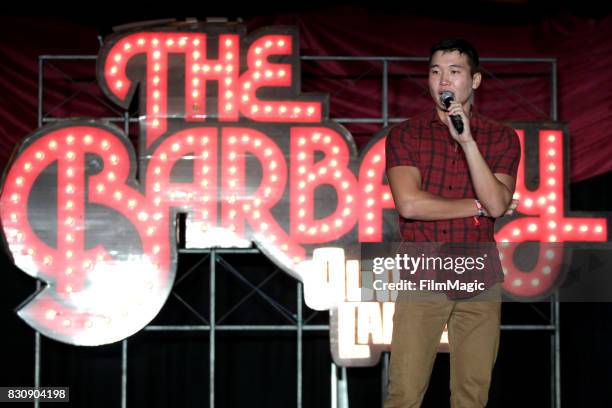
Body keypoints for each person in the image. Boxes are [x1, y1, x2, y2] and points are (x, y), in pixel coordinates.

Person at [384, 38, 521, 407]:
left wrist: (468, 142)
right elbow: (411, 204)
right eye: (435, 72)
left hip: (478, 273)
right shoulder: (406, 134)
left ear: (474, 81)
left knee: (472, 395)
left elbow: (497, 202)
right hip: (424, 270)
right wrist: (479, 205)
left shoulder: (501, 137)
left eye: (454, 71)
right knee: (404, 393)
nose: (443, 80)